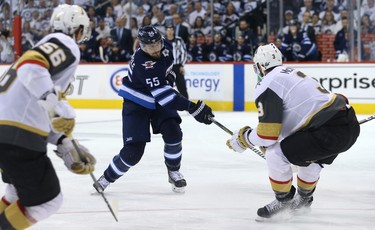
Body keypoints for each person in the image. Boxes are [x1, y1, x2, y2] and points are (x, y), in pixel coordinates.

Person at [226, 43, 360, 221]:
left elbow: (267, 134)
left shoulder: (267, 83)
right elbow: (298, 118)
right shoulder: (292, 73)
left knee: (275, 154)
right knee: (311, 160)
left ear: (259, 65)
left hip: (325, 131)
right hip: (348, 125)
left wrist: (244, 139)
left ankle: (283, 201)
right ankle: (304, 199)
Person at [0, 4, 96, 229]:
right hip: (18, 134)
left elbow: (38, 101)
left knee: (15, 191)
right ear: (77, 28)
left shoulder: (45, 45)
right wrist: (55, 106)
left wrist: (65, 144)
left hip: (7, 130)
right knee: (47, 202)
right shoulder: (67, 44)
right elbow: (31, 66)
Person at [93, 25, 214, 194]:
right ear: (142, 46)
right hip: (137, 101)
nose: (155, 48)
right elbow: (166, 97)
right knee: (133, 153)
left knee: (174, 133)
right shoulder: (144, 64)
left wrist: (169, 78)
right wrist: (193, 108)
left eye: (157, 43)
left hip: (157, 98)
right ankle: (107, 177)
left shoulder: (166, 46)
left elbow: (168, 70)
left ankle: (173, 171)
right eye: (150, 47)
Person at [165, 24, 189, 99]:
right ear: (166, 31)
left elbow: (184, 53)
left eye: (171, 30)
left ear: (174, 31)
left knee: (181, 86)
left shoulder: (179, 40)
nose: (169, 32)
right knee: (166, 87)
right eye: (168, 30)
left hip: (177, 66)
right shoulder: (163, 41)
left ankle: (187, 104)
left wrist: (182, 65)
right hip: (167, 67)